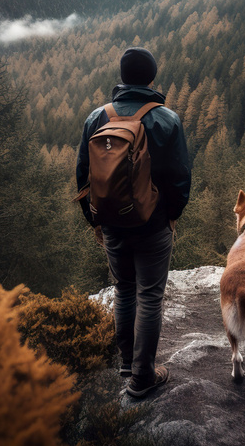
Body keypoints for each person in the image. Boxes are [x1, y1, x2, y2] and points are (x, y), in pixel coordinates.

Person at [76, 46, 191, 398]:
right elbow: (179, 178)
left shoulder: (97, 118)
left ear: (122, 78)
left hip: (111, 221)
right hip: (153, 224)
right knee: (150, 296)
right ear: (152, 78)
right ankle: (142, 377)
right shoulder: (166, 119)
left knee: (124, 290)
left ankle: (127, 363)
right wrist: (170, 216)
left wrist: (94, 219)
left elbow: (83, 176)